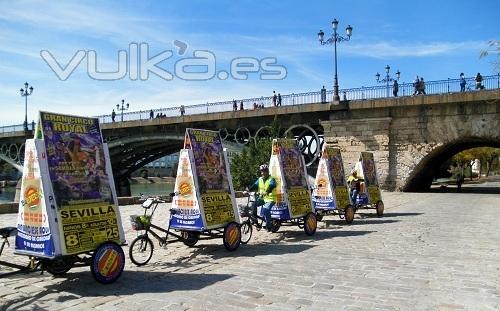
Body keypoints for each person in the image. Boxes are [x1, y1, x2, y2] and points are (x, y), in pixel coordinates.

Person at [247, 164, 276, 231]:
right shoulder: (260, 179)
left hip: (270, 199)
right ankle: (255, 220)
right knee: (252, 204)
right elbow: (254, 186)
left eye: (265, 171)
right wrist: (247, 190)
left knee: (265, 210)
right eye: (262, 171)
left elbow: (271, 185)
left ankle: (269, 225)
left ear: (268, 171)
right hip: (262, 198)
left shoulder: (272, 179)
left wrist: (267, 191)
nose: (263, 173)